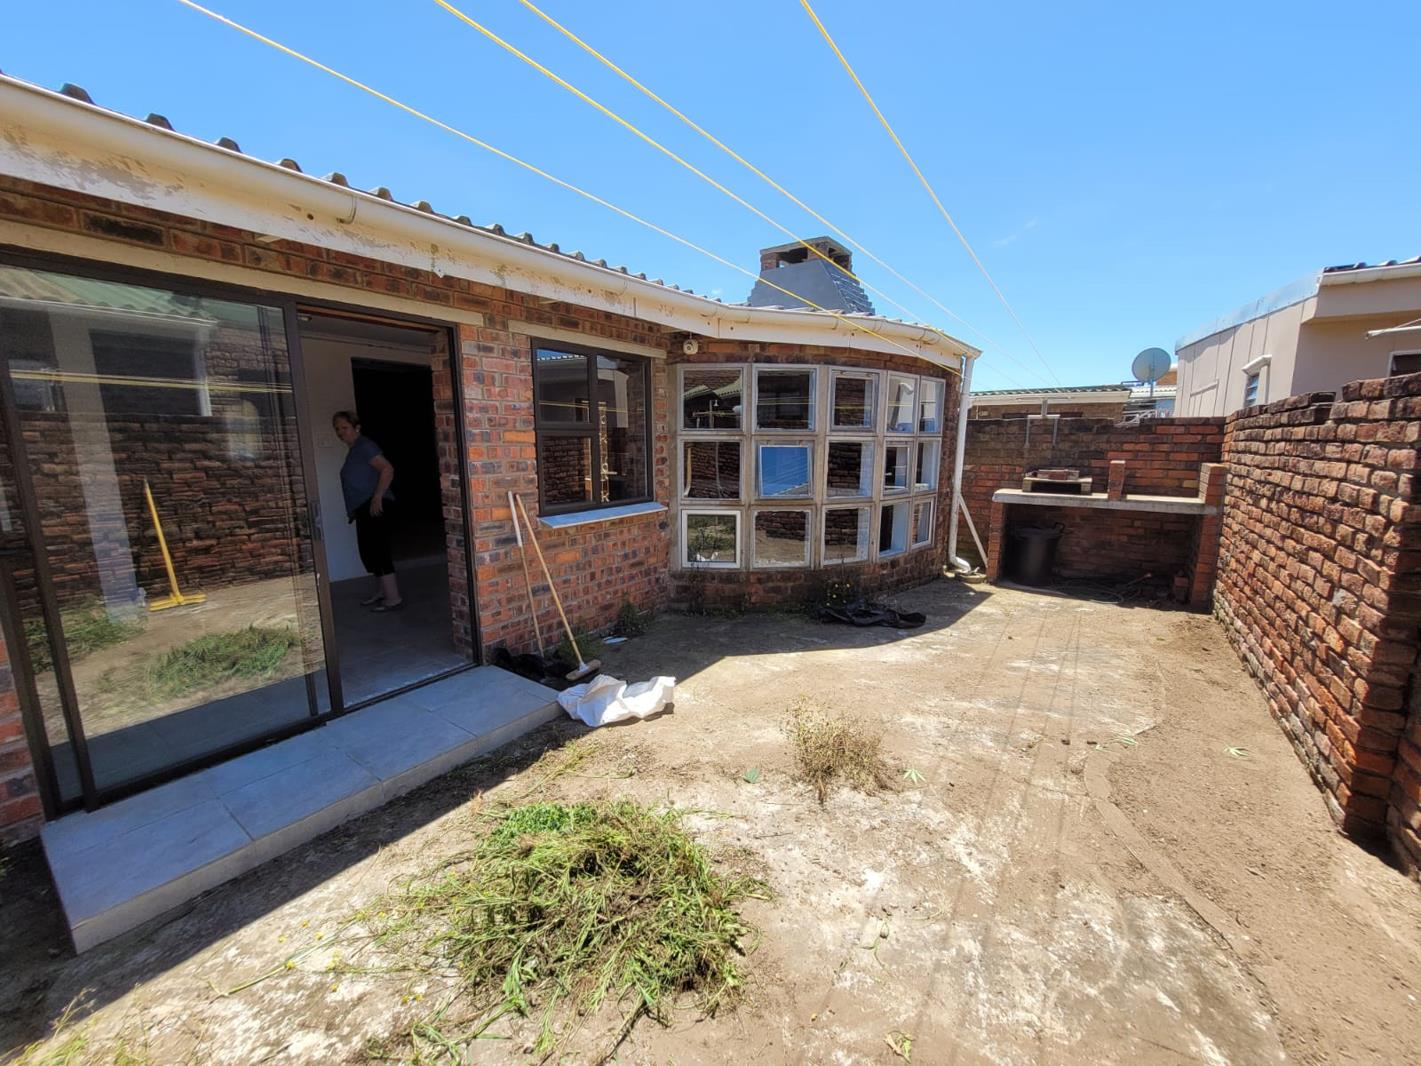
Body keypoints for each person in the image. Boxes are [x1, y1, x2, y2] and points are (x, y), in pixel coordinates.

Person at [333, 410, 402, 611]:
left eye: (344, 428)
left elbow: (387, 469)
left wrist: (377, 496)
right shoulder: (355, 449)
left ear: (357, 428)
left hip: (373, 506)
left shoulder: (365, 446)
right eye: (337, 429)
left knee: (379, 551)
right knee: (370, 552)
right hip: (363, 507)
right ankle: (383, 592)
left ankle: (393, 598)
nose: (340, 432)